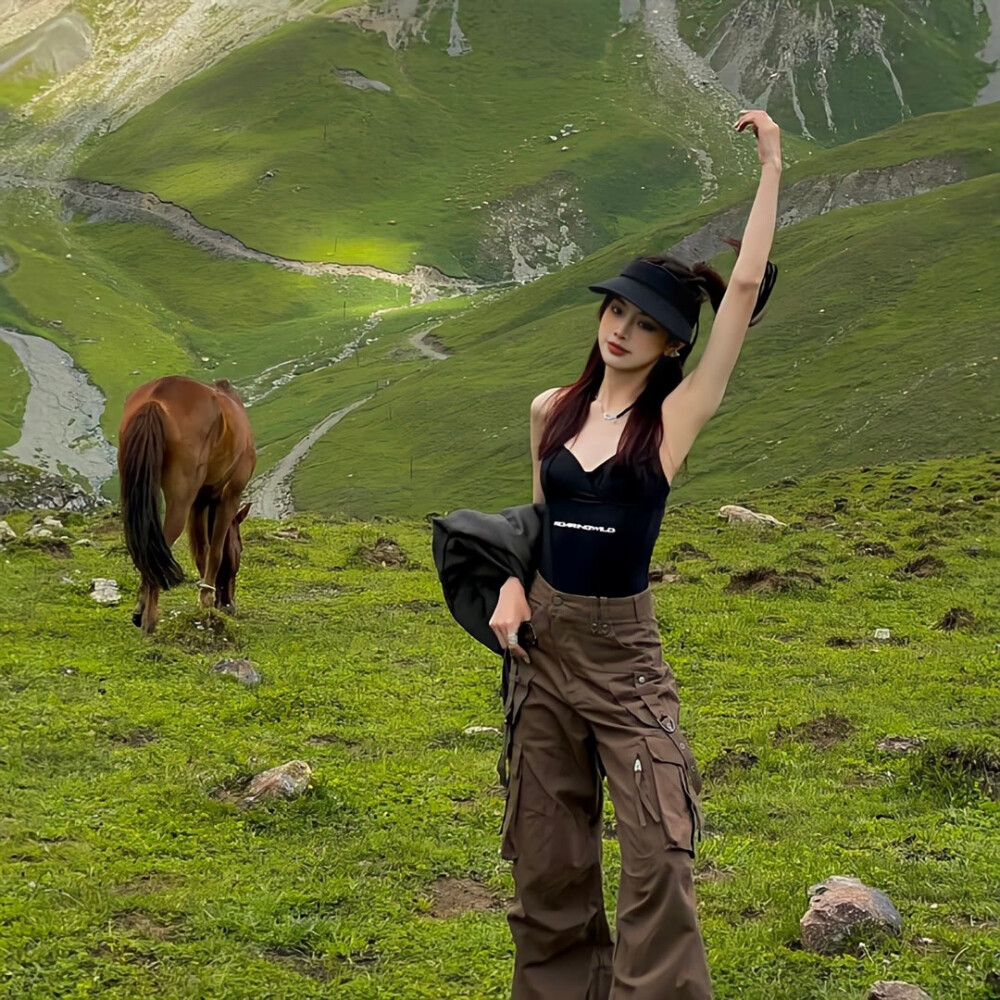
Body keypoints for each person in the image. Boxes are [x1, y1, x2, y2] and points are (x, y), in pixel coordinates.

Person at [488, 109, 782, 999]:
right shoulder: (552, 409)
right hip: (545, 648)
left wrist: (772, 164)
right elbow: (536, 521)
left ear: (671, 347)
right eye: (615, 312)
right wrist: (509, 586)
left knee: (658, 854)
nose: (619, 329)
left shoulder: (672, 422)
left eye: (643, 324)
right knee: (546, 857)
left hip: (624, 657)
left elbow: (737, 296)